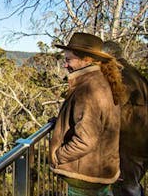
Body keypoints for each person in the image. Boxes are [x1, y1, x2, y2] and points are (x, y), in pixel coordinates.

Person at [50, 32, 124, 196]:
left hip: (85, 176)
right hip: (100, 172)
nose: (65, 65)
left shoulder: (88, 88)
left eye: (68, 60)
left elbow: (86, 140)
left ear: (86, 60)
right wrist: (62, 123)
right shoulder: (102, 81)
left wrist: (57, 156)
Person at [103, 40, 148, 196]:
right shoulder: (134, 73)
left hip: (129, 145)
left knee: (127, 188)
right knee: (132, 186)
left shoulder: (121, 76)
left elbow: (114, 110)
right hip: (140, 143)